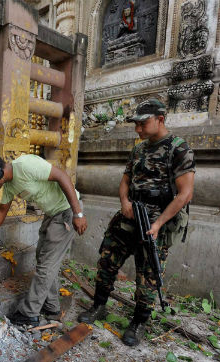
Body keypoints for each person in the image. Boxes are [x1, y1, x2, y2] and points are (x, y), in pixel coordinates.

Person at [78, 98, 195, 346]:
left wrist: (158, 224)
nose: (138, 129)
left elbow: (185, 194)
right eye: (136, 124)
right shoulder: (138, 149)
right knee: (107, 260)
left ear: (160, 120)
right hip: (129, 216)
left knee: (148, 276)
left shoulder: (179, 149)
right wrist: (124, 202)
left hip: (154, 223)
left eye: (143, 124)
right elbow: (125, 181)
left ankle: (139, 322)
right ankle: (99, 306)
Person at [0, 153, 87, 327]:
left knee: (46, 265)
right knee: (42, 259)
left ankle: (29, 313)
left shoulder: (26, 165)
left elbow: (62, 176)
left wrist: (78, 213)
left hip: (66, 212)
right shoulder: (9, 186)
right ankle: (52, 307)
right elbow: (2, 211)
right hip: (52, 214)